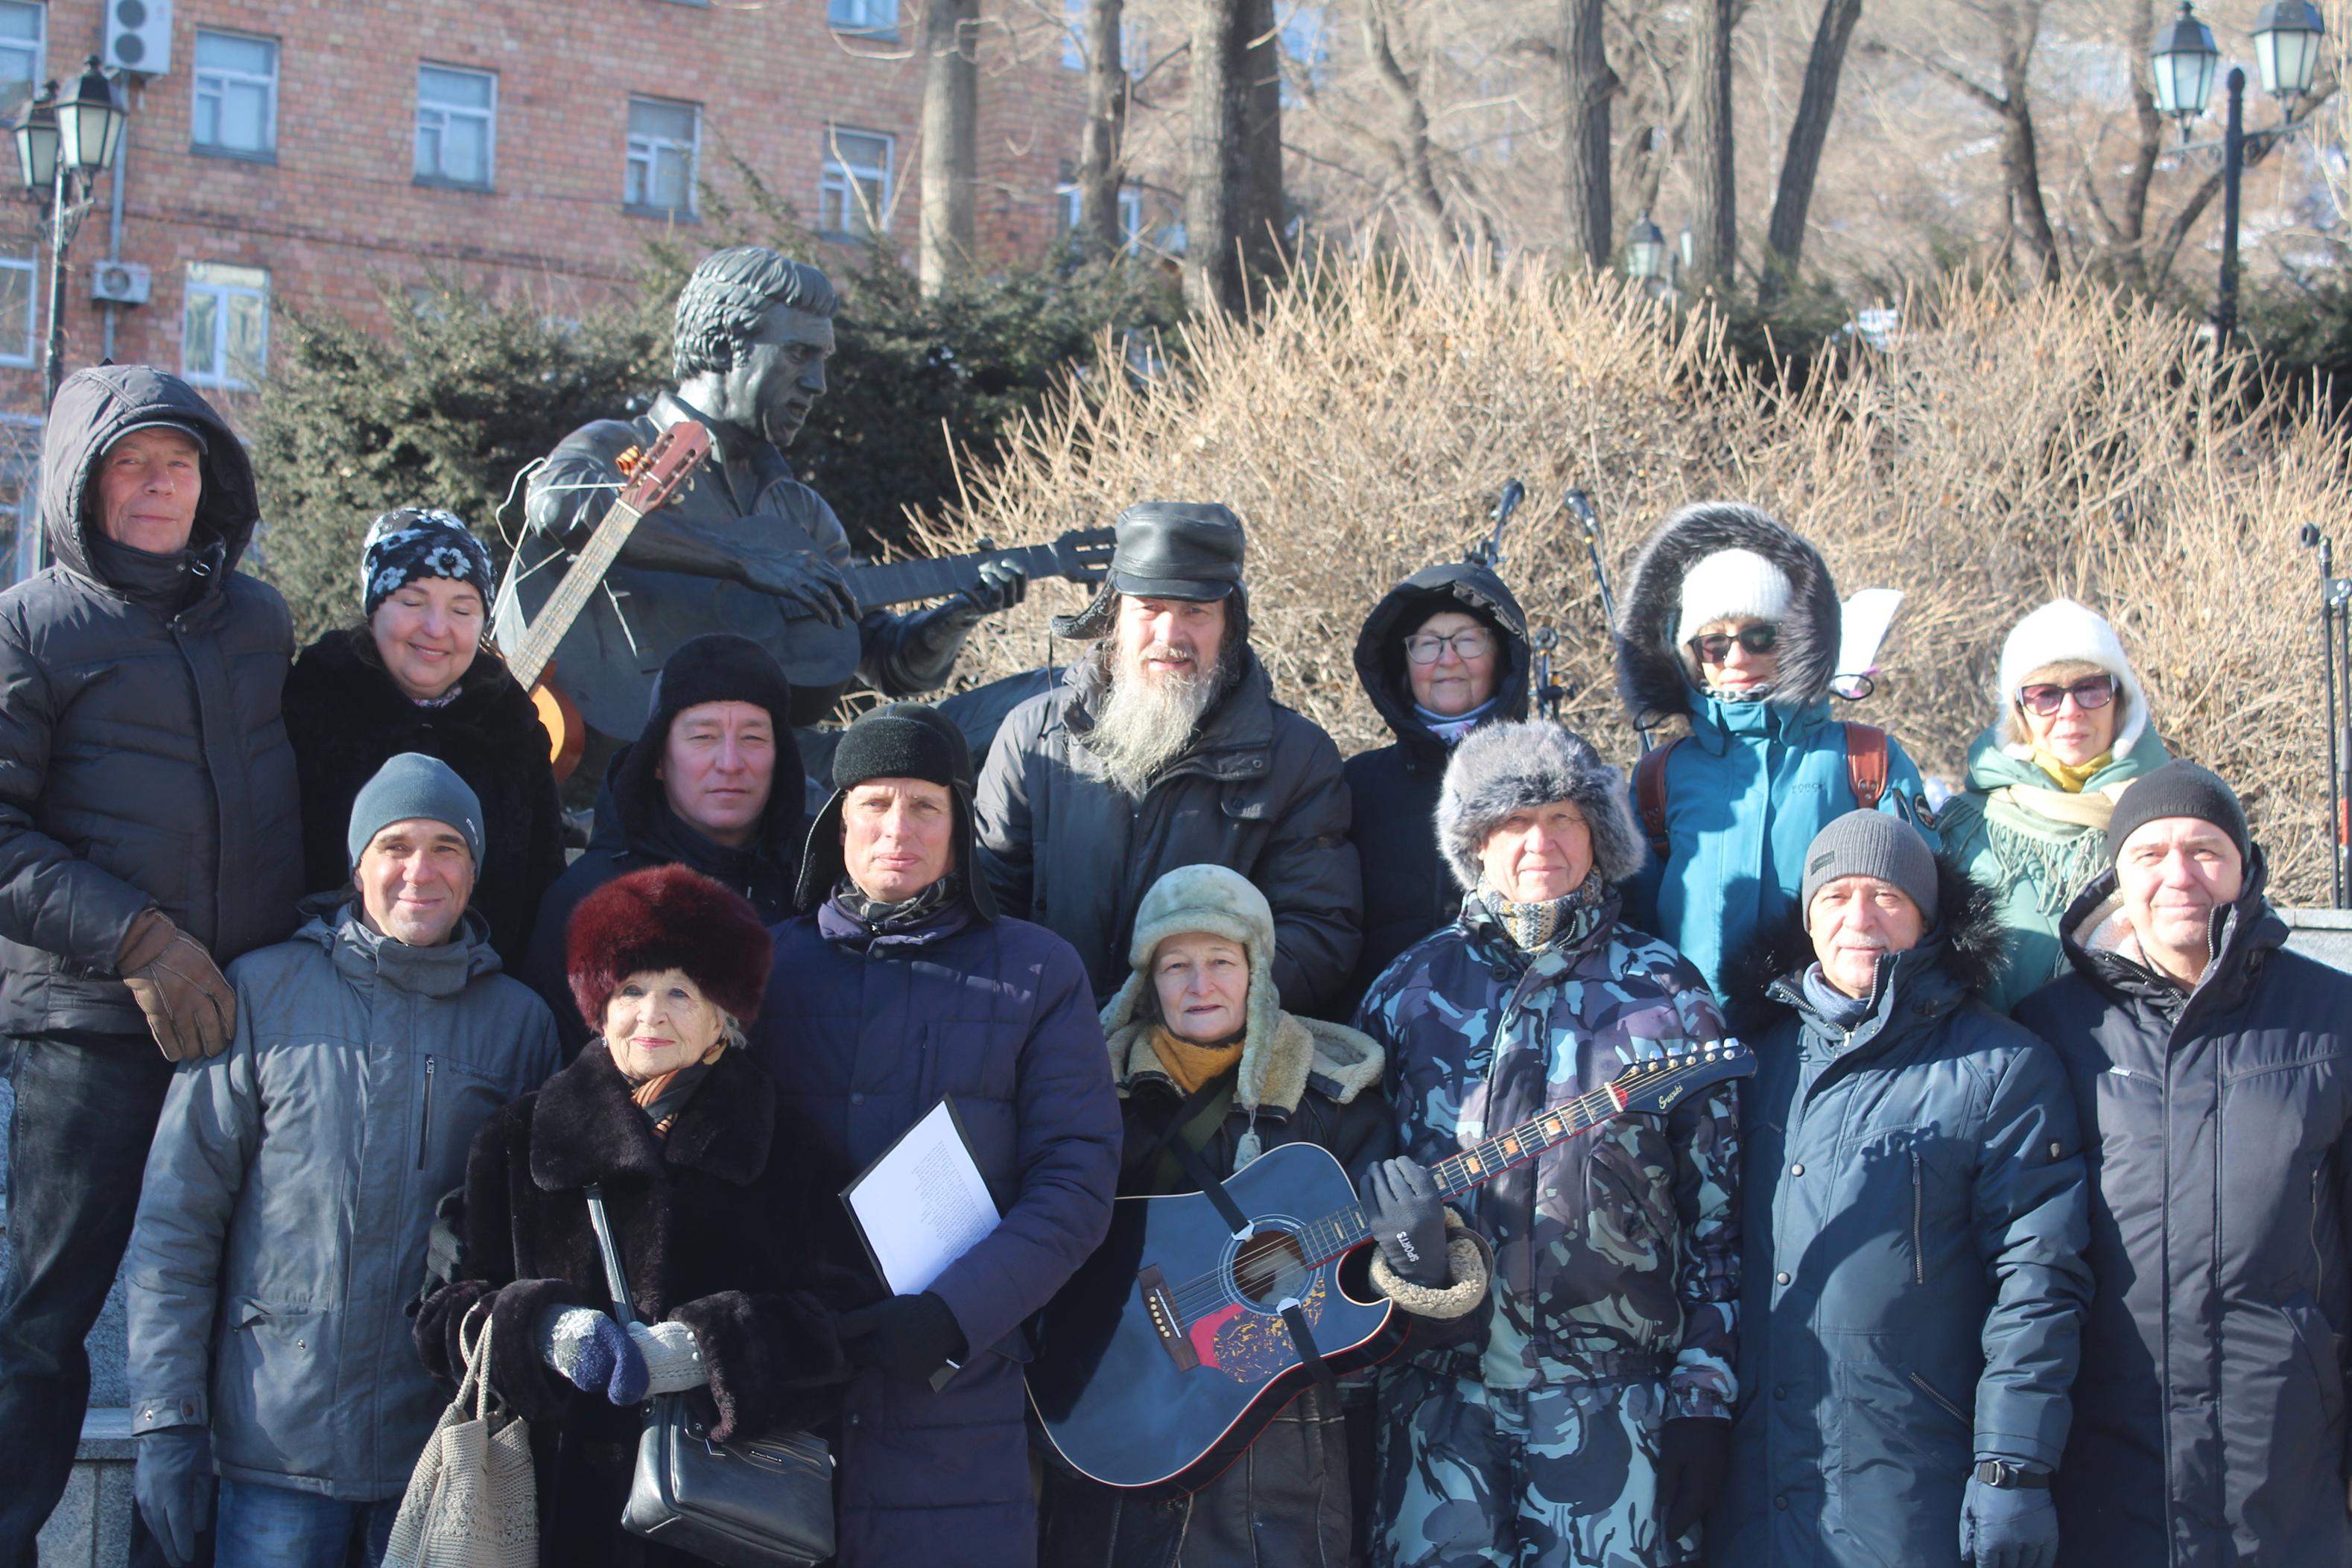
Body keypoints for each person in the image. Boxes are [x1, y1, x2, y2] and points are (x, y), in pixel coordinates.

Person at [0, 364, 304, 1560]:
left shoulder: (259, 619)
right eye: (131, 463)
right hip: (88, 1030)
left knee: (241, 1316)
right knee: (43, 1316)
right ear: (83, 481)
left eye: (177, 462)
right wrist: (137, 938)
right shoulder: (29, 627)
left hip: (246, 1024)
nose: (157, 485)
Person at [124, 755, 560, 1568]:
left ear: (475, 866)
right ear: (358, 863)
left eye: (446, 847)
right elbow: (178, 1219)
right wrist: (167, 1417)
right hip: (274, 1452)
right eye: (394, 844)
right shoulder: (263, 992)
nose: (419, 871)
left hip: (433, 1452)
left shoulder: (518, 1024)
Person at [1356, 720, 1739, 1568]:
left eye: (1563, 818)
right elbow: (1351, 1196)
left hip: (1616, 1410)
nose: (1541, 842)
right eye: (1513, 823)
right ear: (1475, 843)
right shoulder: (1408, 992)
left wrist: (1702, 1400)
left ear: (1597, 836)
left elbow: (1719, 1225)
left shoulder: (1666, 993)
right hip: (1437, 1411)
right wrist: (1402, 1259)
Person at [1036, 863, 1493, 1566]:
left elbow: (1387, 1332)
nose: (1199, 984)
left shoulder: (1333, 1109)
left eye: (1221, 960)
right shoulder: (1093, 1102)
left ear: (1257, 971)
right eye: (1175, 964)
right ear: (1146, 980)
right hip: (1112, 1434)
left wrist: (1421, 1261)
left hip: (1280, 1468)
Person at [755, 702, 1120, 1567]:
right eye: (874, 803)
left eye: (925, 806)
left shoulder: (1035, 970)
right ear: (834, 822)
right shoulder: (763, 969)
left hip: (955, 1397)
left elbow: (1074, 1182)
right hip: (779, 1386)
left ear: (959, 825)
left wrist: (956, 1315)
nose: (898, 829)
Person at [413, 863, 852, 1567]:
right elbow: (441, 1316)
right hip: (547, 1517)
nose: (651, 1014)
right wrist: (545, 1331)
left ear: (722, 1016)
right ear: (599, 1007)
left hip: (713, 1524)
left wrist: (703, 1352)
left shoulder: (787, 1148)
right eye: (631, 990)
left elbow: (839, 1329)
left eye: (680, 991)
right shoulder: (520, 1137)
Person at [1711, 810, 2091, 1568]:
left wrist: (2011, 1462)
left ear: (1925, 914)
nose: (1860, 918)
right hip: (1747, 1479)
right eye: (1837, 895)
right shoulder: (1749, 1059)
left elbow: (2038, 1282)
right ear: (1808, 917)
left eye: (1886, 895)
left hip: (1910, 1475)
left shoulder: (2002, 1067)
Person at [2012, 761, 2352, 1567]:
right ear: (2116, 879)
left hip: (2283, 1464)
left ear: (2243, 866)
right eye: (2150, 853)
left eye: (2204, 849)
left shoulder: (2331, 1020)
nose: (2179, 874)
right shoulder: (2053, 1031)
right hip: (2105, 1465)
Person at [511, 246, 1026, 771]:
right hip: (627, 771)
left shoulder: (800, 513)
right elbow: (558, 506)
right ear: (719, 347)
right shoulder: (619, 446)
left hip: (777, 770)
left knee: (1038, 703)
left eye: (823, 360)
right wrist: (740, 560)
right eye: (799, 354)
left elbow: (889, 663)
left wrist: (957, 616)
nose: (818, 383)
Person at [976, 503, 1360, 1014]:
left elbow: (1317, 932)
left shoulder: (1297, 757)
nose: (1169, 635)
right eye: (1149, 607)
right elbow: (984, 904)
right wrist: (1045, 1020)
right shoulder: (1033, 736)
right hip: (1045, 1048)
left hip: (1210, 1068)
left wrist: (1183, 1018)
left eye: (1195, 612)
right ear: (1114, 615)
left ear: (1229, 625)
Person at [1613, 501, 1934, 998]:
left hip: (1829, 1039)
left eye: (1759, 636)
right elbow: (1632, 921)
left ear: (1796, 640)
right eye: (1714, 644)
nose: (1736, 656)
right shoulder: (1660, 775)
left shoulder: (1864, 760)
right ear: (1694, 658)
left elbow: (1924, 907)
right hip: (1695, 1038)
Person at [282, 507, 566, 970]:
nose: (436, 629)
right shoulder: (310, 708)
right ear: (375, 609)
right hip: (319, 994)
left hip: (478, 1002)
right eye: (413, 602)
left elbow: (544, 882)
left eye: (462, 609)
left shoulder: (511, 728)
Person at [522, 632, 806, 1052]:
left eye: (753, 738)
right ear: (658, 759)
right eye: (703, 737)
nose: (730, 763)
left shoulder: (821, 887)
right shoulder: (587, 901)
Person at [1934, 599, 2169, 1013]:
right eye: (2045, 695)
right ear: (2019, 711)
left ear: (2121, 700)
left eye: (2090, 688)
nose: (2070, 711)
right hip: (2004, 1068)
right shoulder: (1964, 829)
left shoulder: (2174, 815)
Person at [1341, 558, 1531, 1012]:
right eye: (1427, 645)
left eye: (1468, 641)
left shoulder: (1552, 773)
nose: (1448, 659)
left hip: (1524, 1037)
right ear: (1402, 667)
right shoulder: (1356, 784)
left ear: (1502, 657)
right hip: (1383, 1042)